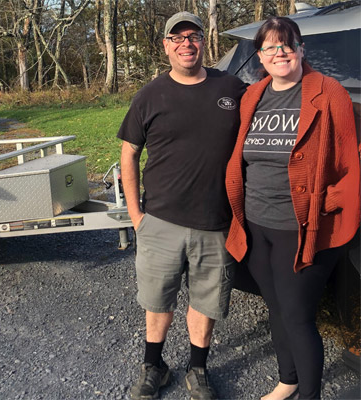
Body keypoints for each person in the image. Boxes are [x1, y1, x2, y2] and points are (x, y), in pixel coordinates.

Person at [225, 16, 360, 400]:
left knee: (298, 316)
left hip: (298, 228)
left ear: (302, 50)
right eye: (270, 47)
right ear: (260, 57)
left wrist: (329, 204)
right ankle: (288, 380)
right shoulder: (253, 96)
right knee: (276, 308)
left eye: (287, 45)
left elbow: (351, 162)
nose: (279, 52)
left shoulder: (327, 91)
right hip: (255, 222)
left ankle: (309, 395)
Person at [117, 11, 246, 400]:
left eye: (193, 36)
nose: (186, 43)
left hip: (215, 221)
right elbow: (128, 154)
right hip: (160, 220)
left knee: (206, 303)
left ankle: (197, 370)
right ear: (166, 46)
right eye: (178, 38)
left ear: (203, 42)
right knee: (157, 303)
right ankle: (153, 367)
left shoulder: (232, 88)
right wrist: (136, 216)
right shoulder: (150, 95)